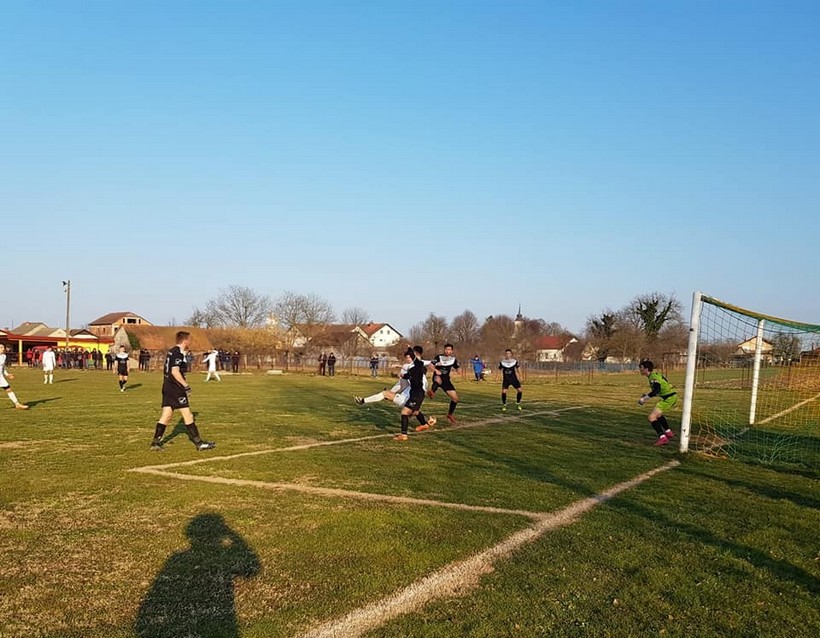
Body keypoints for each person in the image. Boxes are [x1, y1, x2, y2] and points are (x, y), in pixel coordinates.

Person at [150, 331, 215, 452]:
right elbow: (175, 371)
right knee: (188, 414)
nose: (190, 342)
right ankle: (199, 443)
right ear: (185, 340)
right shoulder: (177, 353)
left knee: (166, 415)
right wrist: (186, 385)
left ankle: (155, 443)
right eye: (189, 340)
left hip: (167, 386)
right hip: (176, 388)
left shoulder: (172, 351)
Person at [354, 346, 435, 440]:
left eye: (409, 357)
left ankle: (404, 435)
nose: (407, 360)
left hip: (414, 395)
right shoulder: (413, 370)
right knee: (412, 410)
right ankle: (425, 424)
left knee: (405, 412)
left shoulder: (415, 369)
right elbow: (405, 379)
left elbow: (405, 382)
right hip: (409, 394)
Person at [638, 360, 677, 446]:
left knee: (651, 417)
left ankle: (663, 438)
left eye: (641, 368)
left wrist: (644, 399)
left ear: (646, 369)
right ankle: (668, 432)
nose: (640, 370)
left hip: (669, 398)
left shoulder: (653, 377)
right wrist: (646, 395)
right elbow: (658, 389)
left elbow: (657, 390)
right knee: (658, 415)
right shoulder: (654, 375)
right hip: (671, 396)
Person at [427, 343, 461, 425]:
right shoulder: (438, 357)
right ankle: (432, 392)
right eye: (446, 349)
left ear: (452, 351)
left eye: (449, 350)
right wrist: (436, 370)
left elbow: (457, 367)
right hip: (438, 377)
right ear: (444, 350)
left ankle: (450, 414)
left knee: (455, 399)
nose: (447, 351)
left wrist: (459, 370)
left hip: (446, 381)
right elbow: (430, 365)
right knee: (438, 379)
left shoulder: (453, 359)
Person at [0, 344, 29, 409]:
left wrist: (7, 374)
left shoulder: (3, 356)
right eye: (1, 347)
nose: (3, 349)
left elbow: (2, 367)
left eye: (3, 347)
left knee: (8, 389)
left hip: (1, 377)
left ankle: (17, 404)